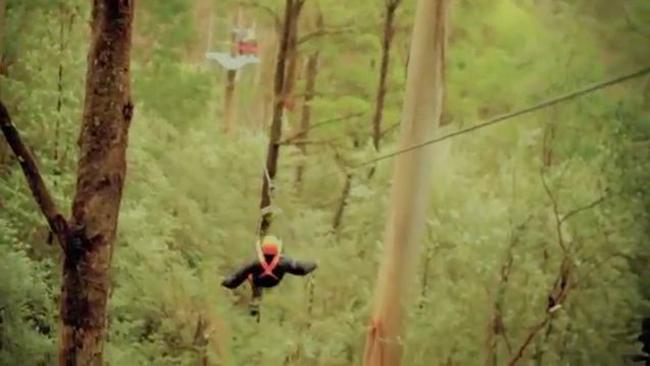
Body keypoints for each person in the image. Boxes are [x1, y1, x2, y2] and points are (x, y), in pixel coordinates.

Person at [221, 235, 317, 317]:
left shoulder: (256, 262)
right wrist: (314, 264)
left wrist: (224, 283)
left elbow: (237, 278)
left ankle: (256, 297)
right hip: (274, 281)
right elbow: (302, 269)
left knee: (249, 274)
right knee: (253, 274)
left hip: (258, 280)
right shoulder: (283, 262)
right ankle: (257, 298)